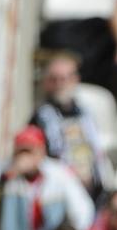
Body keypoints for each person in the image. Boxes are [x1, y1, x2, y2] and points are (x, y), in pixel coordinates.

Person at [30, 51, 111, 199]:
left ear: (76, 79)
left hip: (93, 189)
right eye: (54, 79)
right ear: (46, 83)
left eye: (66, 78)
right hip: (61, 192)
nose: (60, 84)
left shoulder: (85, 114)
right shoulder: (40, 118)